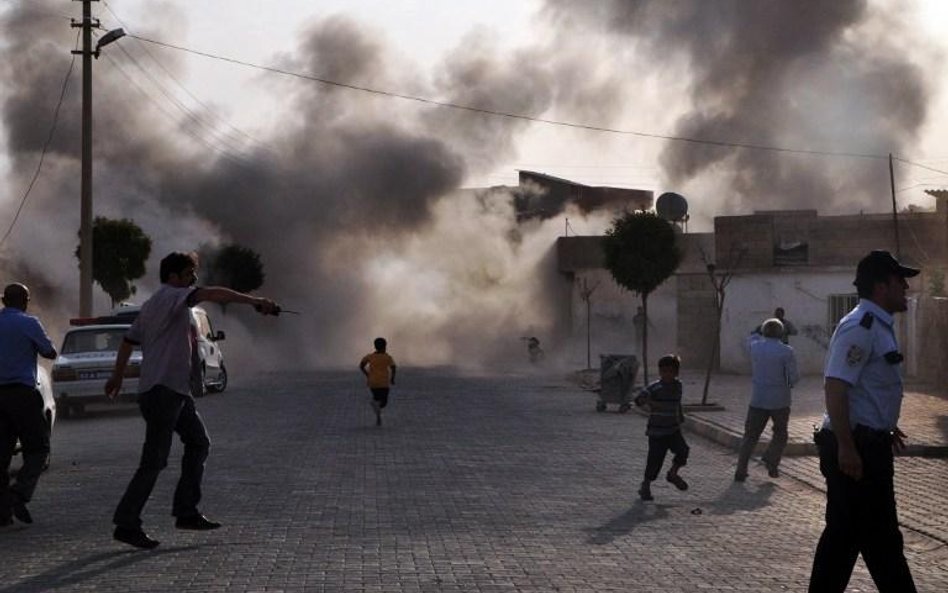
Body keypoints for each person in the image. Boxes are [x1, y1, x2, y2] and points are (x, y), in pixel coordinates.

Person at [106, 252, 280, 549]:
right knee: (154, 461)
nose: (193, 280)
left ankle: (186, 511)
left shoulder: (151, 306)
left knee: (198, 443)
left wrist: (117, 376)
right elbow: (212, 293)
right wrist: (256, 302)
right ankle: (126, 522)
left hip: (171, 391)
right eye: (189, 274)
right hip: (163, 392)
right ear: (174, 276)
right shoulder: (173, 296)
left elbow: (128, 341)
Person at [809, 250, 918, 593]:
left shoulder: (878, 325)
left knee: (845, 540)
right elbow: (836, 385)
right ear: (881, 286)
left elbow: (866, 388)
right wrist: (846, 446)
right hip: (857, 452)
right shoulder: (861, 326)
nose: (906, 286)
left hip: (867, 443)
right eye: (900, 280)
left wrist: (885, 423)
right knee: (880, 541)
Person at [0, 283, 57, 527]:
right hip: (22, 395)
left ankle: (2, 513)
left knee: (1, 456)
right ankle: (18, 494)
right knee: (38, 448)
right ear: (24, 300)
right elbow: (50, 352)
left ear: (4, 301)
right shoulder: (28, 323)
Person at [735, 318, 799, 482]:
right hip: (780, 399)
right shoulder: (787, 351)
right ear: (781, 333)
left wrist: (758, 331)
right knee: (780, 434)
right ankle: (771, 461)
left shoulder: (755, 347)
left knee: (750, 435)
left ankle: (741, 469)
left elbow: (749, 338)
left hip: (758, 398)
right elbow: (793, 377)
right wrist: (788, 383)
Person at [633, 354, 689, 501]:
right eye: (664, 372)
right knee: (654, 460)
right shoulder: (654, 387)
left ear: (676, 373)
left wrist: (680, 417)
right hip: (657, 431)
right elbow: (639, 399)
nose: (667, 375)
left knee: (683, 451)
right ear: (660, 372)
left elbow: (675, 403)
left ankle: (673, 474)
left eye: (670, 372)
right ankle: (645, 486)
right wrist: (649, 402)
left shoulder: (678, 386)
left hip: (673, 429)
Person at [359, 337, 397, 427]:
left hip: (373, 382)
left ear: (375, 346)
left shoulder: (370, 356)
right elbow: (393, 367)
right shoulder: (387, 357)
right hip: (384, 382)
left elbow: (361, 365)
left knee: (376, 397)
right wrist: (392, 378)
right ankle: (377, 407)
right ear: (385, 346)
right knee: (384, 401)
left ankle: (378, 415)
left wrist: (367, 374)